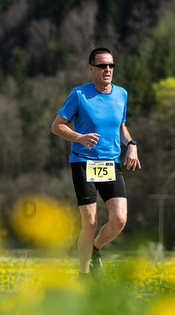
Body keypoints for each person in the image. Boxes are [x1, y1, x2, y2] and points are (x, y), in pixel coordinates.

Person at [51, 47, 140, 279]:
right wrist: (79, 137)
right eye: (102, 66)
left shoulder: (121, 94)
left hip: (111, 163)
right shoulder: (79, 95)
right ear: (92, 69)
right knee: (90, 223)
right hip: (83, 162)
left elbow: (121, 126)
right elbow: (57, 126)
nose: (107, 69)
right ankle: (83, 274)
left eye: (111, 65)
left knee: (119, 219)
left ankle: (96, 249)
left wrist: (131, 144)